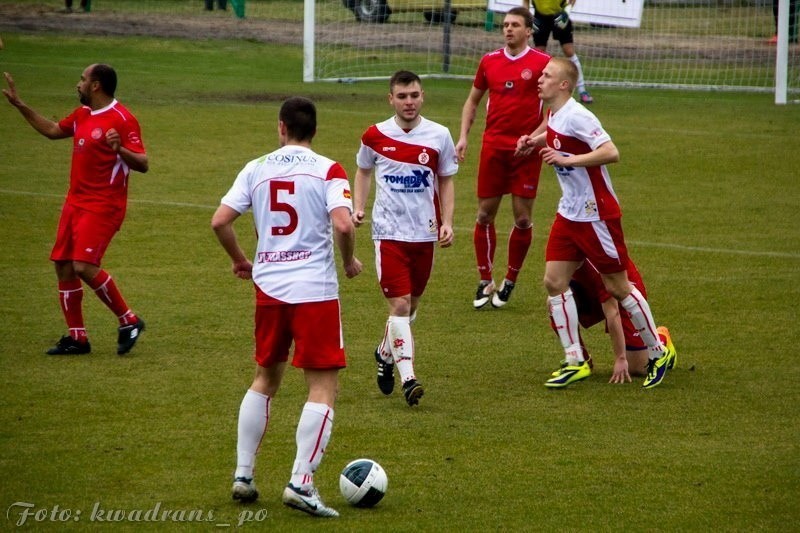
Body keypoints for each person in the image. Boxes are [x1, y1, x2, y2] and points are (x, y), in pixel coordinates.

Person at [211, 96, 362, 518]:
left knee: (265, 378)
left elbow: (219, 221)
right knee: (323, 386)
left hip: (270, 289)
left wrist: (242, 261)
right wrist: (348, 259)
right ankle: (301, 482)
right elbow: (344, 222)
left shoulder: (255, 167)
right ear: (314, 129)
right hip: (314, 291)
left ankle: (243, 475)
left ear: (281, 127)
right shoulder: (328, 169)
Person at [515, 57, 675, 389]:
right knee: (553, 282)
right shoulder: (555, 114)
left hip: (596, 214)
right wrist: (534, 141)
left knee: (618, 287)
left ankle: (658, 351)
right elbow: (554, 133)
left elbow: (610, 151)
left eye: (547, 75)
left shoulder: (579, 115)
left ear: (564, 85)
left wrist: (569, 159)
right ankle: (575, 360)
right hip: (569, 214)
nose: (539, 79)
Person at [3, 65, 148, 356]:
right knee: (64, 265)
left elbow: (143, 163)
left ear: (96, 85)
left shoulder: (123, 118)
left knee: (83, 265)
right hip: (75, 203)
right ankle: (78, 338)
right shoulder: (82, 115)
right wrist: (21, 106)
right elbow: (54, 130)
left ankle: (129, 320)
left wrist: (120, 150)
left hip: (103, 205)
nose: (77, 85)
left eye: (82, 80)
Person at [352, 70, 457, 407]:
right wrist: (358, 207)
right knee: (398, 305)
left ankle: (384, 353)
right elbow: (363, 171)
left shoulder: (439, 136)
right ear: (391, 99)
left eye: (414, 95)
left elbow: (446, 180)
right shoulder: (374, 136)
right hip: (389, 234)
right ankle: (409, 378)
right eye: (402, 96)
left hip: (424, 235)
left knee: (410, 308)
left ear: (422, 96)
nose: (409, 102)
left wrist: (448, 222)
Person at [456, 6, 551, 310]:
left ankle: (510, 280)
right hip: (493, 148)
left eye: (515, 25)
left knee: (523, 218)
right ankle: (485, 280)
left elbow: (554, 110)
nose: (508, 29)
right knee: (485, 215)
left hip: (526, 151)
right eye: (505, 25)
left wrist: (533, 140)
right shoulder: (489, 62)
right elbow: (472, 102)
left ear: (528, 30)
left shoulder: (543, 64)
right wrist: (463, 136)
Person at [551, 259, 677, 384]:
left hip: (621, 294)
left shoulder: (596, 261)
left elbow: (613, 312)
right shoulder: (561, 245)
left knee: (638, 367)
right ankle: (580, 361)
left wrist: (620, 358)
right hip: (588, 287)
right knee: (555, 303)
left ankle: (661, 340)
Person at [532, 0, 593, 103]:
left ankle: (582, 91)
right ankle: (536, 90)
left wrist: (567, 12)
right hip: (540, 17)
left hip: (560, 14)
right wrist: (529, 19)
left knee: (569, 51)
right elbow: (525, 2)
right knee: (539, 53)